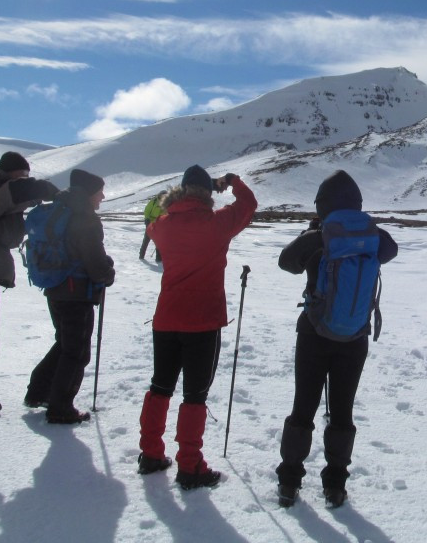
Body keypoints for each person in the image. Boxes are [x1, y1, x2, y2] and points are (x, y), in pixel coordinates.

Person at [275, 169, 398, 509]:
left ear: (322, 206)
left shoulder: (319, 237)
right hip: (355, 337)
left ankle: (289, 481)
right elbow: (391, 251)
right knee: (342, 410)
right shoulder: (376, 236)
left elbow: (286, 262)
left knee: (304, 406)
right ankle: (335, 486)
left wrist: (317, 233)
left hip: (313, 332)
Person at [137, 166, 257, 490]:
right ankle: (189, 466)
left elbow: (152, 226)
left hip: (166, 319)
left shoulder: (162, 226)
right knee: (194, 395)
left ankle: (150, 454)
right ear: (207, 192)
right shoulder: (216, 224)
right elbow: (248, 205)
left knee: (160, 386)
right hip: (202, 322)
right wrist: (232, 183)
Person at [26, 169, 115, 424]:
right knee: (76, 351)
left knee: (64, 343)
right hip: (76, 291)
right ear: (89, 193)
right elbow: (94, 263)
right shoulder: (84, 218)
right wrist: (107, 273)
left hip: (54, 287)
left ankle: (39, 392)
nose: (102, 196)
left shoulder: (60, 209)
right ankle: (60, 407)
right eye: (99, 191)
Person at [0, 152, 58, 416]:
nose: (25, 178)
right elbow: (30, 188)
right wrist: (58, 195)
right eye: (22, 173)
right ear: (10, 173)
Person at [139, 193, 164, 261]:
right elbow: (147, 210)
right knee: (146, 239)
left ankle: (158, 258)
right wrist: (147, 218)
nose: (163, 197)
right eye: (162, 195)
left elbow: (166, 213)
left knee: (158, 240)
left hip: (158, 223)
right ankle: (141, 255)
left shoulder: (166, 203)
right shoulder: (154, 201)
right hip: (150, 221)